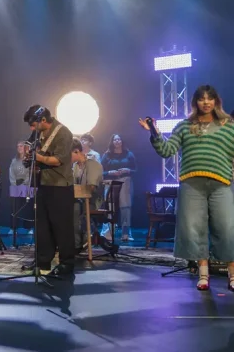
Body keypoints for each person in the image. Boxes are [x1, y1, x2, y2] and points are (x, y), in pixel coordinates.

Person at [140, 84, 234, 291]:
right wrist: (154, 133)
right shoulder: (184, 125)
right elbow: (167, 150)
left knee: (227, 228)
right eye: (201, 99)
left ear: (216, 101)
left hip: (221, 184)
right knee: (194, 229)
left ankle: (232, 275)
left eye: (210, 98)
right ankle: (203, 275)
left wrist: (231, 175)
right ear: (195, 102)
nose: (206, 102)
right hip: (191, 184)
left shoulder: (228, 125)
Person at [23, 105, 75, 276]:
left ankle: (66, 264)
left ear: (43, 120)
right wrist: (29, 156)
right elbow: (31, 150)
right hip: (43, 183)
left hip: (60, 185)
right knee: (42, 226)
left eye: (33, 125)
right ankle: (42, 261)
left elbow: (58, 160)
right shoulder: (38, 133)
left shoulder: (63, 133)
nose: (32, 129)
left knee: (62, 227)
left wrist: (38, 157)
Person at [100, 134, 137, 242]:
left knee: (125, 207)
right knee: (110, 207)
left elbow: (136, 170)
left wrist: (127, 170)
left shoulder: (129, 154)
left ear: (122, 141)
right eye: (115, 139)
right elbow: (101, 172)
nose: (117, 141)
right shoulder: (107, 155)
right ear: (112, 142)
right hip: (110, 182)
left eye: (119, 139)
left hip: (125, 181)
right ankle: (108, 233)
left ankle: (126, 233)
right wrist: (110, 172)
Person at [71, 138, 103, 252]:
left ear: (76, 151)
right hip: (79, 199)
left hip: (92, 201)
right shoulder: (75, 166)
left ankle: (77, 244)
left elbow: (91, 188)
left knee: (74, 208)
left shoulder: (93, 165)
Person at [8, 141, 33, 236]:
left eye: (21, 146)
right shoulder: (14, 160)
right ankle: (13, 228)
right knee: (15, 208)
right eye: (18, 146)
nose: (19, 148)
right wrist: (14, 184)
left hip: (27, 185)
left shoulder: (30, 160)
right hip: (15, 185)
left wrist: (25, 183)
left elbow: (30, 172)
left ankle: (29, 228)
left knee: (28, 207)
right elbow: (11, 173)